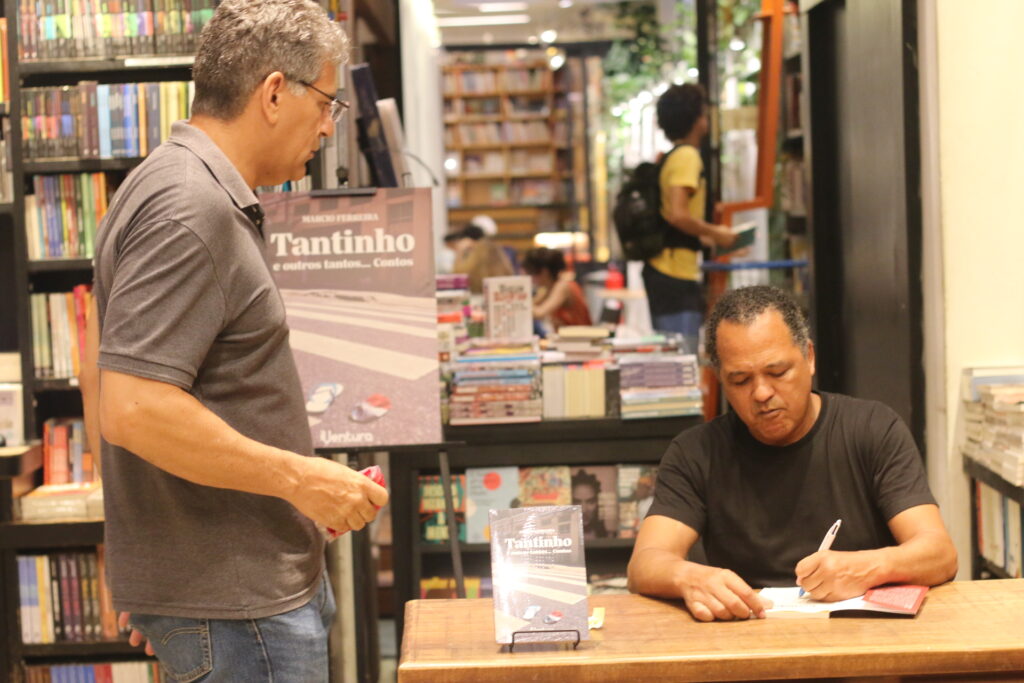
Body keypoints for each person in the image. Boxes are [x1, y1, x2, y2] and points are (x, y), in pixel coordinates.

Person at [85, 2, 388, 679]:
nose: (329, 125)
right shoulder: (190, 207)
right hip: (242, 605)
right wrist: (302, 479)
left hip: (231, 593)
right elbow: (132, 405)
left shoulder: (170, 185)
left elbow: (100, 365)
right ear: (275, 93)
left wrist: (153, 564)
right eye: (326, 103)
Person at [627, 285, 957, 622]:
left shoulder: (873, 429)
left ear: (809, 357)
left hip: (861, 638)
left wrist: (866, 568)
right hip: (746, 635)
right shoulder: (696, 453)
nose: (762, 393)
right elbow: (644, 564)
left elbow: (939, 554)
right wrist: (689, 577)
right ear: (721, 380)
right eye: (740, 380)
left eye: (777, 372)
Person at [642, 83, 737, 354]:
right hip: (674, 274)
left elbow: (676, 220)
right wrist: (717, 233)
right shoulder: (687, 157)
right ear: (697, 119)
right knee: (682, 362)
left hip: (667, 270)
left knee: (676, 357)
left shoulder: (673, 156)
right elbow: (678, 215)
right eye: (703, 113)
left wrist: (716, 240)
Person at [521, 247, 591, 332]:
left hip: (581, 337)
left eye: (531, 273)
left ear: (544, 272)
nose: (531, 279)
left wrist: (517, 301)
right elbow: (532, 304)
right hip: (570, 337)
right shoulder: (549, 287)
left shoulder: (562, 286)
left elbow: (539, 313)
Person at [446, 223, 515, 293]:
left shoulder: (475, 255)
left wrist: (459, 253)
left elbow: (457, 278)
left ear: (468, 240)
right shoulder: (495, 249)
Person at [572, 468, 609, 539]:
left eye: (590, 502)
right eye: (576, 502)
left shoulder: (610, 537)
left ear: (598, 503)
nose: (584, 510)